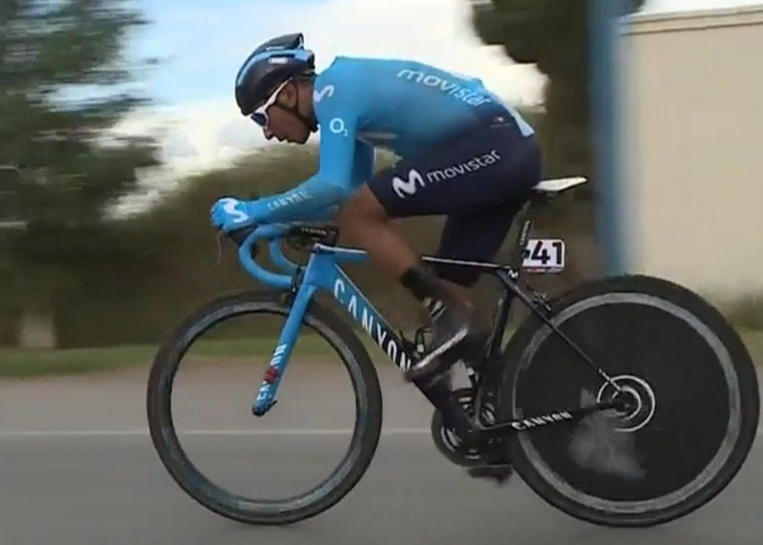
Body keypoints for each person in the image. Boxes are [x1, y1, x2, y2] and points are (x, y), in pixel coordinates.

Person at [210, 32, 543, 383]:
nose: (266, 133)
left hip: (496, 147)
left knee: (369, 225)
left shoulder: (334, 90)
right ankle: (501, 398)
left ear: (288, 94)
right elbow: (343, 195)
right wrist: (275, 221)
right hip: (502, 150)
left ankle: (450, 316)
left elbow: (335, 189)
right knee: (449, 290)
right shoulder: (346, 104)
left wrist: (252, 211)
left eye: (261, 118)